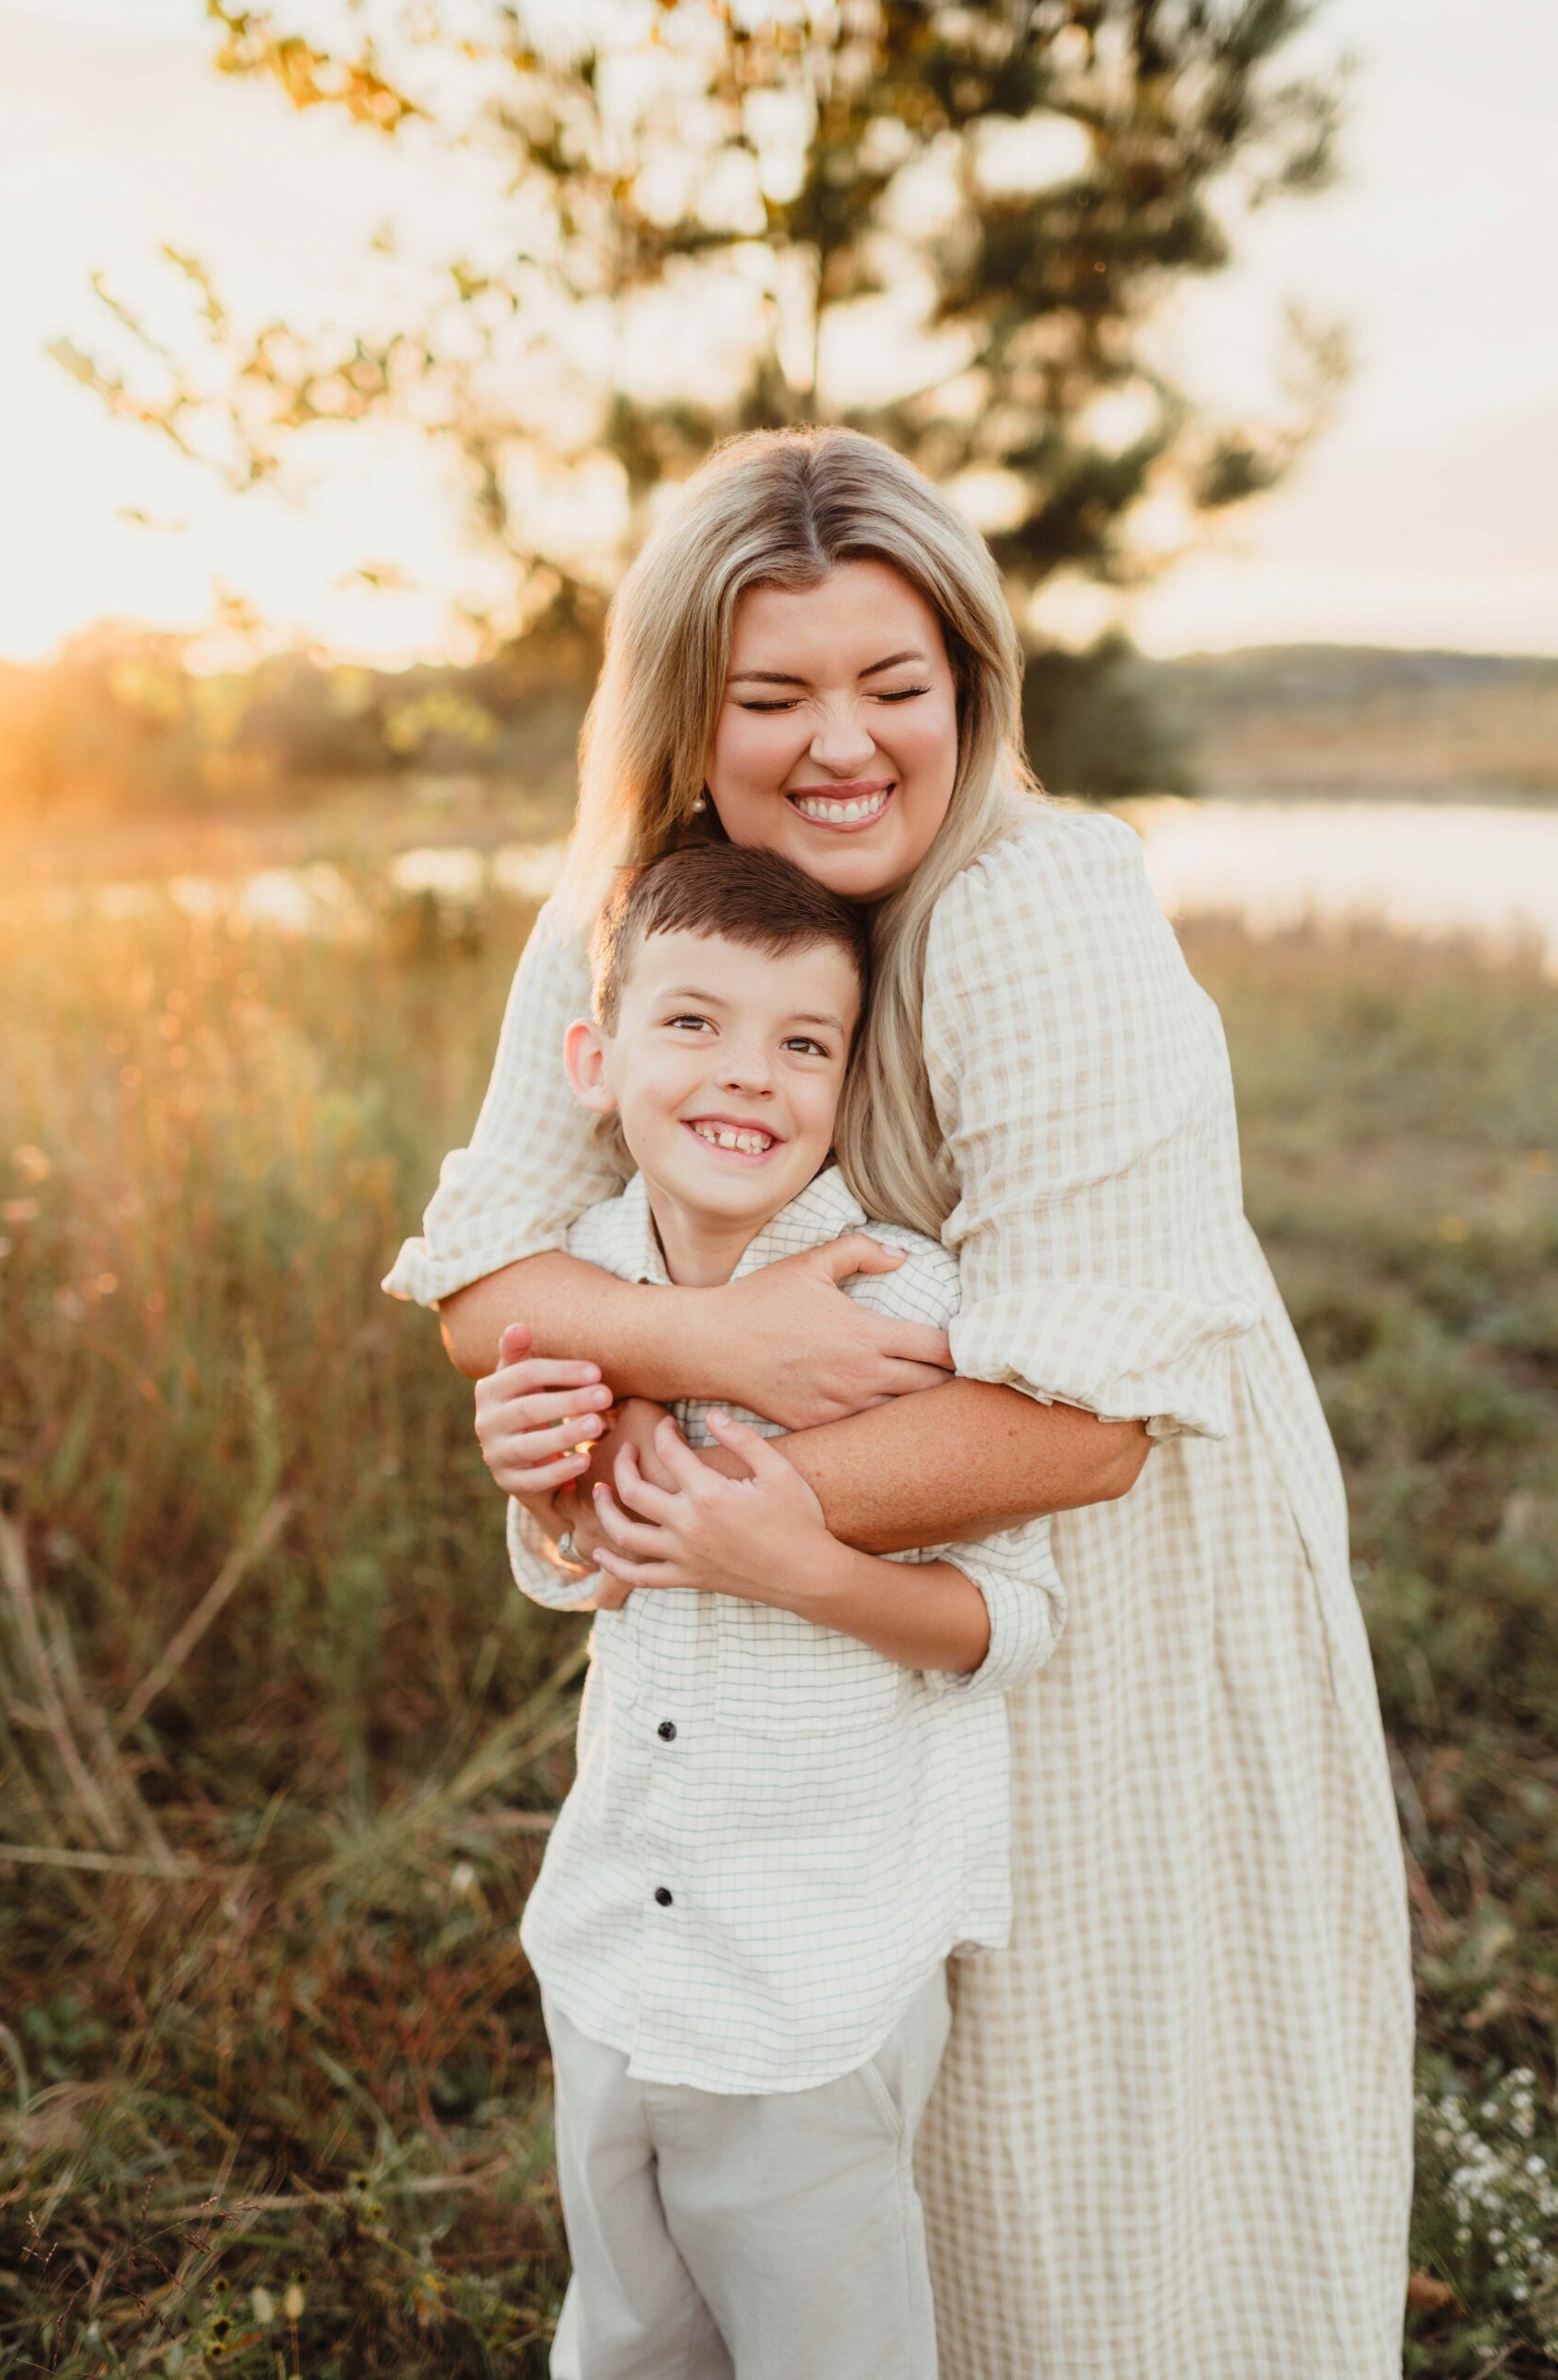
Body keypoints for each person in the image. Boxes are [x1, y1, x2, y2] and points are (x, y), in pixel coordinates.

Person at [384, 425, 1415, 2379]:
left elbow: (1080, 1427)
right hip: (801, 1617)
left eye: (894, 685)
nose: (839, 742)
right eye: (772, 693)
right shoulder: (623, 911)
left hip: (1099, 1605)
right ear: (692, 709)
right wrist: (723, 1351)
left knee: (1080, 2179)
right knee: (816, 2134)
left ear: (969, 691)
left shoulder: (1035, 903)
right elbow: (483, 1272)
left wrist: (675, 1495)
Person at [495, 837, 1066, 2378]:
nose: (747, 1076)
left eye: (801, 1042)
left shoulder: (910, 1308)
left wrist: (805, 1568)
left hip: (816, 1981)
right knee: (624, 2336)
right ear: (593, 1059)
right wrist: (534, 1474)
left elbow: (1017, 1619)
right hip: (613, 1944)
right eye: (692, 1023)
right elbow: (565, 1569)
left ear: (846, 1077)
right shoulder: (577, 1290)